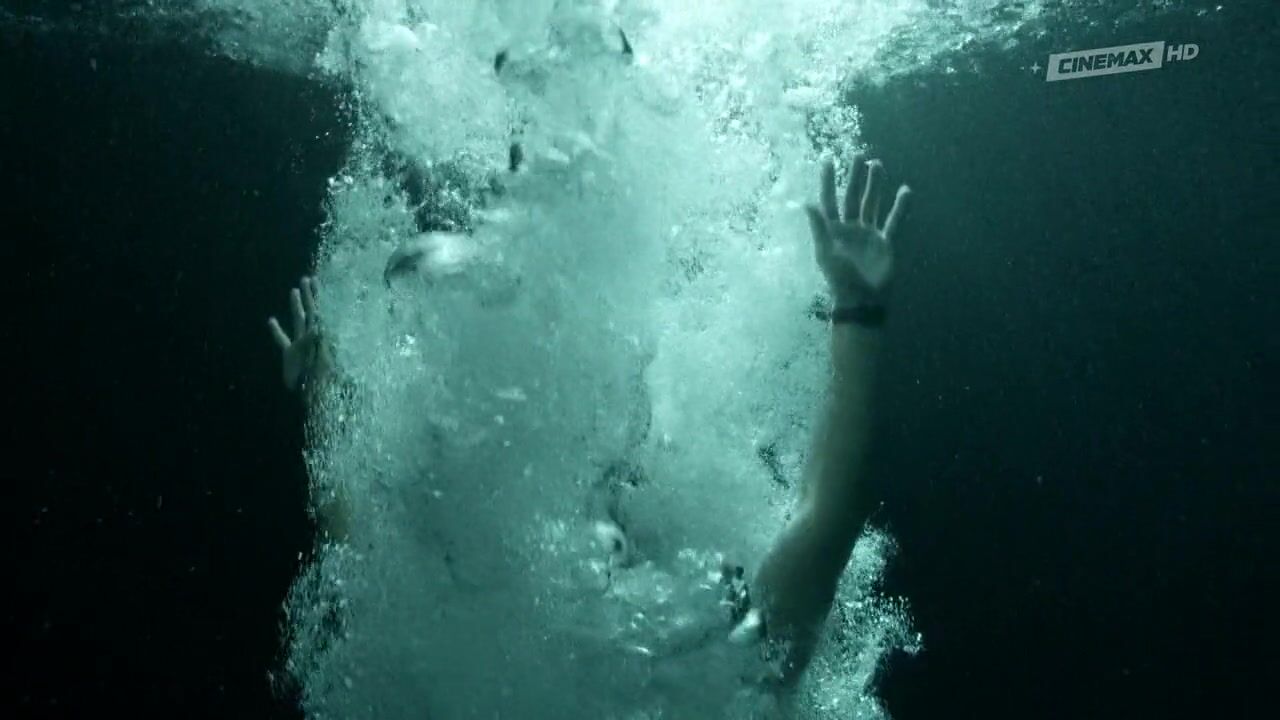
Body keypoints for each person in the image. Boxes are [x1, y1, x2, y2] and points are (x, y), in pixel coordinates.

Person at [267, 153, 910, 691]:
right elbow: (823, 529)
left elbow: (346, 528)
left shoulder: (674, 653)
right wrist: (858, 315)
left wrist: (319, 392)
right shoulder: (673, 657)